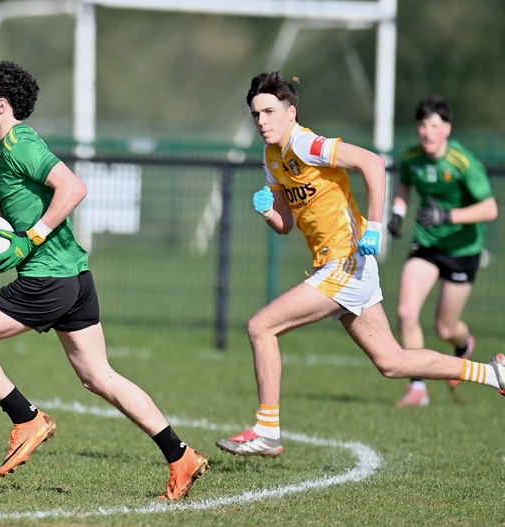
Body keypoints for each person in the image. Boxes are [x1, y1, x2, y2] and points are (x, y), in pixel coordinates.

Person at [0, 60, 208, 500]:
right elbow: (14, 222)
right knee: (99, 376)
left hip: (48, 281)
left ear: (1, 105)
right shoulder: (2, 153)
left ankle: (26, 419)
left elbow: (74, 188)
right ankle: (180, 456)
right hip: (74, 277)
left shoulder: (20, 145)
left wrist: (29, 241)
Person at [215, 72, 504, 459]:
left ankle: (267, 430)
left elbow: (372, 162)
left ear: (291, 112)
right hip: (337, 266)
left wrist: (375, 226)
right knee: (392, 362)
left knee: (261, 326)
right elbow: (285, 224)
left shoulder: (304, 142)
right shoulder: (272, 158)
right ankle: (492, 373)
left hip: (347, 262)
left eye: (269, 112)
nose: (262, 121)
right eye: (256, 115)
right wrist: (269, 213)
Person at [387, 96, 498, 407]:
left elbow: (490, 209)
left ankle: (463, 345)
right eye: (423, 126)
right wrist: (397, 213)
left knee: (445, 328)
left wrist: (447, 216)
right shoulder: (412, 159)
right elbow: (404, 185)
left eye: (434, 126)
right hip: (427, 245)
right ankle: (417, 388)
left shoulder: (463, 163)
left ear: (447, 129)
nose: (427, 132)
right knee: (406, 312)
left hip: (463, 250)